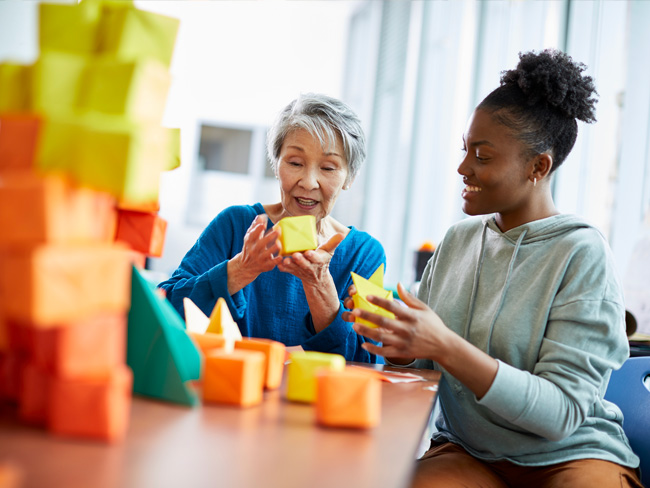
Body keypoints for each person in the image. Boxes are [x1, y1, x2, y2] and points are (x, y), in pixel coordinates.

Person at [343, 50, 643, 486]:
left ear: (538, 166)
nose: (463, 168)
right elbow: (424, 367)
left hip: (572, 455)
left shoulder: (582, 254)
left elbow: (560, 414)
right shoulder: (457, 241)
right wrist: (401, 345)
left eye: (482, 156)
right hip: (471, 452)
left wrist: (445, 345)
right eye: (465, 151)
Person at [159, 93, 385, 363]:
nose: (308, 181)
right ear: (276, 164)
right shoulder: (236, 225)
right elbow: (166, 312)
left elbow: (370, 360)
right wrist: (240, 269)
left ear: (349, 177)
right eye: (295, 163)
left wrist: (320, 288)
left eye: (328, 167)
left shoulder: (365, 253)